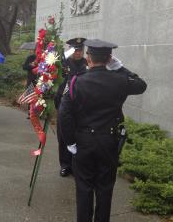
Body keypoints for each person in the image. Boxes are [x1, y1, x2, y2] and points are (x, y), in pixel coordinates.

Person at [59, 39, 147, 222]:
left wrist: (70, 143)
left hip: (83, 141)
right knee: (105, 189)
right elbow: (141, 85)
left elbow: (64, 114)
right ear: (109, 59)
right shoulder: (120, 80)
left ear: (88, 58)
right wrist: (120, 68)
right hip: (109, 141)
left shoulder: (76, 81)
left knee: (84, 188)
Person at [55, 37, 88, 177]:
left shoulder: (87, 64)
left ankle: (76, 166)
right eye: (75, 50)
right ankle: (65, 165)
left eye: (80, 50)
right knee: (63, 137)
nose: (78, 53)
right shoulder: (63, 63)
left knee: (78, 137)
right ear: (71, 50)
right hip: (64, 104)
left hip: (80, 106)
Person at [22, 50, 37, 119]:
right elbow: (24, 67)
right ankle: (30, 112)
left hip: (42, 80)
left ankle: (39, 113)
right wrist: (31, 65)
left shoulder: (45, 57)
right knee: (31, 96)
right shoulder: (30, 58)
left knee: (41, 97)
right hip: (31, 79)